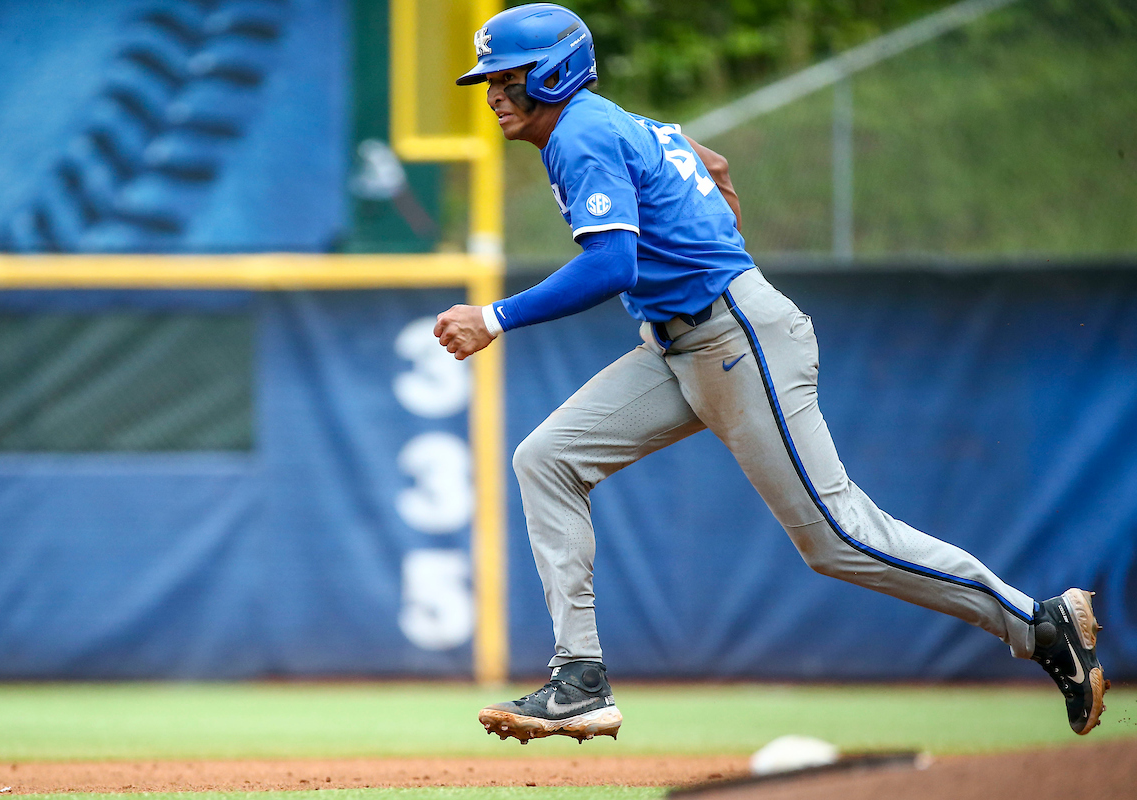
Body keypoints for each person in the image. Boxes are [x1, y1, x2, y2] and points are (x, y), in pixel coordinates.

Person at [433, 3, 1108, 744]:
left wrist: (494, 318)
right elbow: (707, 163)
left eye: (508, 75)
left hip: (734, 335)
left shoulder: (581, 132)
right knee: (547, 459)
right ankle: (580, 680)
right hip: (682, 342)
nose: (494, 92)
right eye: (488, 78)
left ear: (554, 71)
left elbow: (612, 262)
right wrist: (703, 203)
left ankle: (1039, 625)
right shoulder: (609, 123)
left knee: (839, 538)